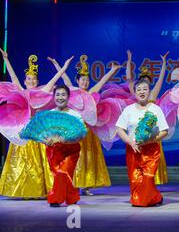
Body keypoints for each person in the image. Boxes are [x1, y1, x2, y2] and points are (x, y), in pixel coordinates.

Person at [0, 51, 73, 199]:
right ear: (25, 81)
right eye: (29, 79)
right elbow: (13, 78)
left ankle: (40, 190)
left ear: (37, 81)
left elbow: (54, 80)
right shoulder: (21, 92)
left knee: (40, 162)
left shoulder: (42, 92)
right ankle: (24, 190)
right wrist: (6, 59)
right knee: (23, 161)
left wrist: (64, 67)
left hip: (38, 132)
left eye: (33, 79)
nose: (31, 81)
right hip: (23, 130)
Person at [48, 55, 121, 196]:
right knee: (75, 158)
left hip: (88, 131)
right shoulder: (72, 92)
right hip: (74, 131)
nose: (85, 82)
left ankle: (86, 185)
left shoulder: (91, 92)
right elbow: (64, 78)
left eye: (87, 80)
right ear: (77, 81)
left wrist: (112, 71)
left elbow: (103, 81)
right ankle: (73, 183)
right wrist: (57, 64)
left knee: (88, 158)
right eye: (82, 79)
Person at [115, 79, 169, 207]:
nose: (142, 92)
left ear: (149, 91)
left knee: (148, 177)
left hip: (151, 150)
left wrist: (150, 140)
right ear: (134, 93)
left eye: (145, 89)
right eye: (139, 89)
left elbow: (164, 131)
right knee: (135, 180)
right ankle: (155, 197)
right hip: (133, 150)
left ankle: (148, 198)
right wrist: (131, 142)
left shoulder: (156, 110)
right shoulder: (128, 110)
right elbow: (119, 129)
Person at [126, 50, 170, 185]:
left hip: (150, 133)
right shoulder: (136, 92)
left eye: (146, 84)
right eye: (141, 84)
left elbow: (161, 79)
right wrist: (129, 60)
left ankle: (152, 180)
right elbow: (128, 78)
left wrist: (163, 64)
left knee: (152, 156)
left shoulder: (152, 94)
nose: (143, 88)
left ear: (149, 86)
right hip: (137, 133)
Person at [47, 85, 84, 207]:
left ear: (68, 97)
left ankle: (55, 199)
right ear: (54, 97)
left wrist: (65, 139)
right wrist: (47, 140)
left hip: (71, 149)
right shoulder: (50, 114)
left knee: (63, 172)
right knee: (59, 174)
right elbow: (45, 133)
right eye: (57, 95)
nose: (60, 97)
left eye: (63, 95)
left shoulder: (75, 115)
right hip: (54, 150)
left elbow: (80, 135)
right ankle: (72, 197)